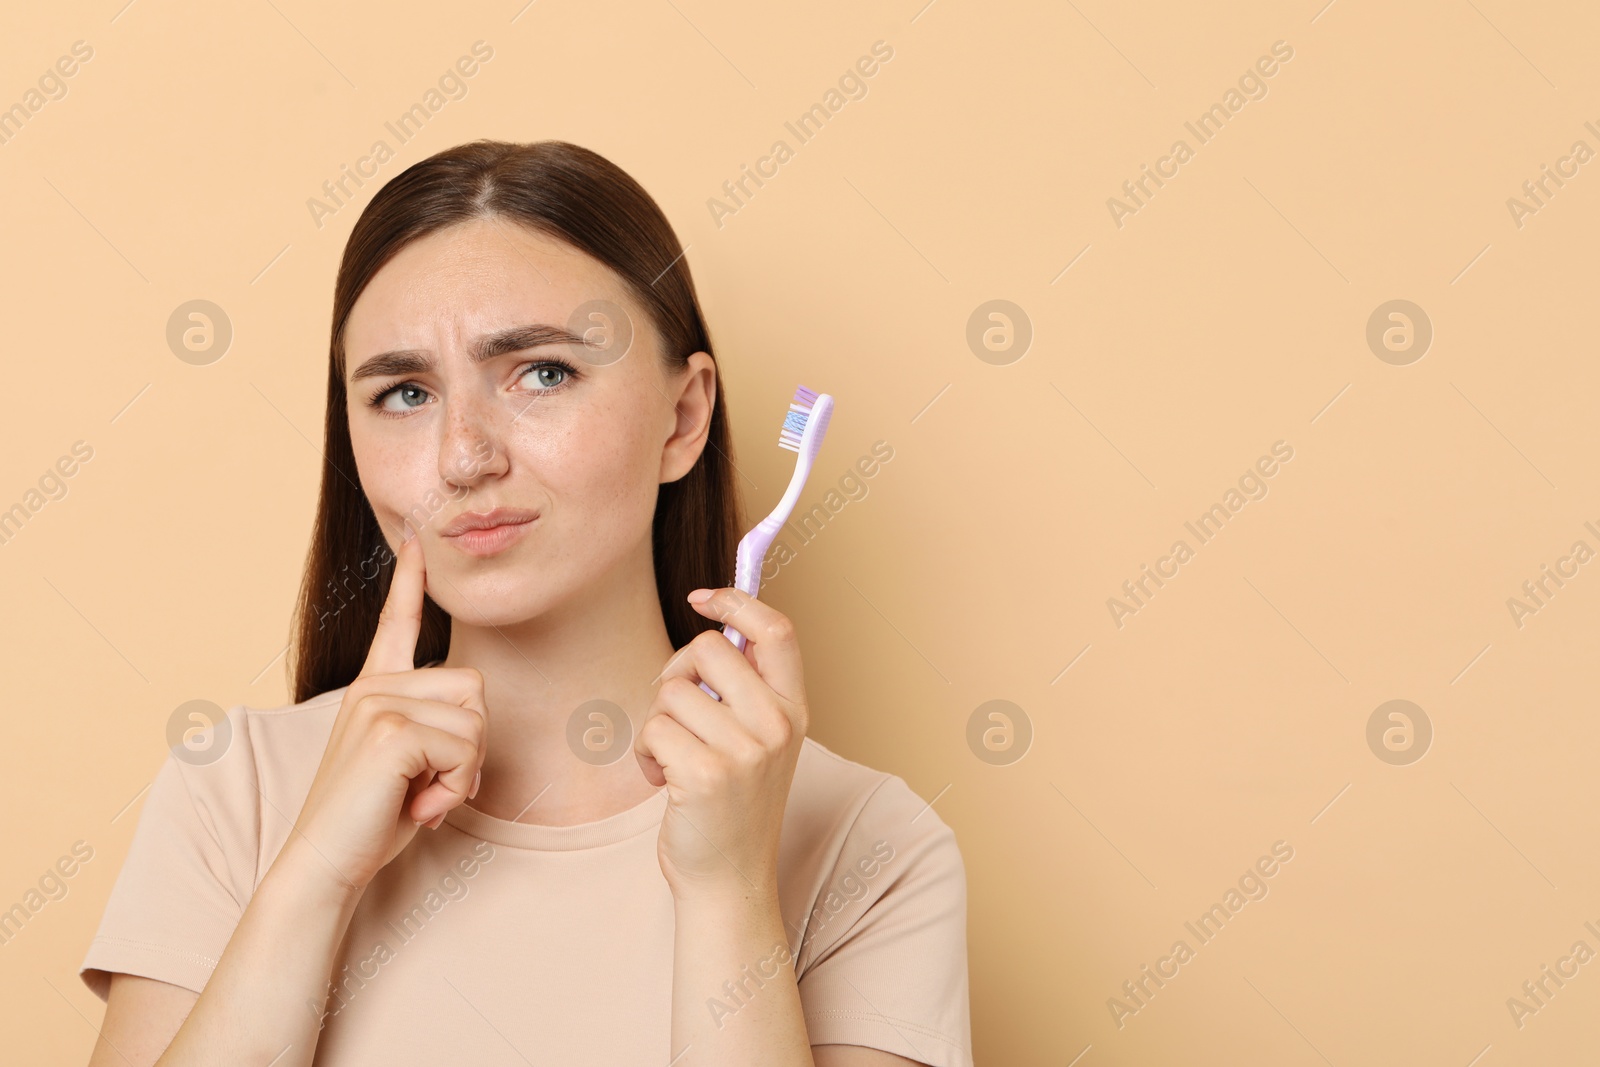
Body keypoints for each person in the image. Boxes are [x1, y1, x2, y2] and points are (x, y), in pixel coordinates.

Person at [79, 139, 971, 1066]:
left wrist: (729, 893)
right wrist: (313, 877)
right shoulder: (237, 792)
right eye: (404, 392)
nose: (465, 456)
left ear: (684, 415)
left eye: (542, 372)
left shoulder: (872, 847)